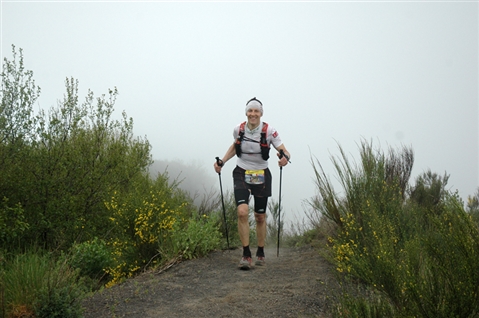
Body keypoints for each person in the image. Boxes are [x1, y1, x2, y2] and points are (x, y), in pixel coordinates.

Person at [214, 97, 290, 269]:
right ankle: (246, 254)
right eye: (250, 111)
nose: (253, 114)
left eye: (256, 111)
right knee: (242, 211)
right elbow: (235, 146)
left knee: (259, 216)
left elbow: (284, 150)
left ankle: (261, 251)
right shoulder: (238, 129)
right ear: (246, 113)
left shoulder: (270, 131)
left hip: (261, 174)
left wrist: (285, 158)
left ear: (261, 113)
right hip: (241, 172)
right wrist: (222, 161)